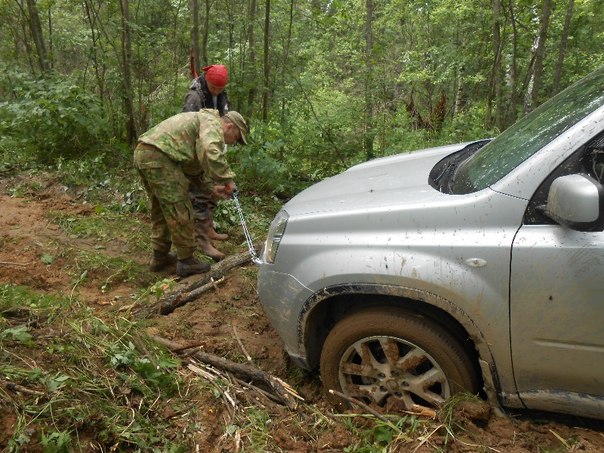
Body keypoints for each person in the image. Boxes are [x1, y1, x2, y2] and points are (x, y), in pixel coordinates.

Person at [133, 109, 248, 278]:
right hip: (161, 157)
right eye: (236, 138)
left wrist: (211, 188)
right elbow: (211, 152)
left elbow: (193, 168)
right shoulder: (212, 123)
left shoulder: (200, 124)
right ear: (230, 126)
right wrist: (227, 179)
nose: (232, 143)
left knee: (161, 209)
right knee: (181, 208)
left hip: (145, 153)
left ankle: (160, 257)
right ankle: (186, 261)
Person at [183, 64, 232, 260]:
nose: (217, 91)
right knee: (200, 191)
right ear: (207, 81)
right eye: (214, 88)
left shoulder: (222, 94)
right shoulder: (194, 97)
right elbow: (188, 125)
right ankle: (201, 238)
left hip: (215, 144)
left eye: (221, 88)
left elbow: (225, 115)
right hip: (198, 149)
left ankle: (209, 228)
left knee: (216, 189)